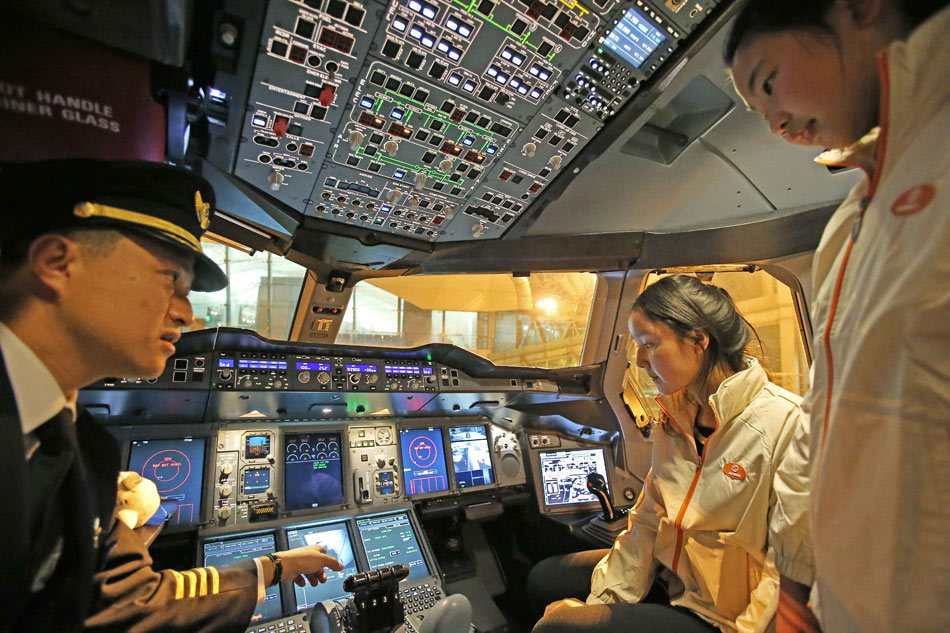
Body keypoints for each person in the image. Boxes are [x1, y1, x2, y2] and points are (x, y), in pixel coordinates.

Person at [0, 158, 344, 633]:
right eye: (170, 281)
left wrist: (275, 566)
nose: (185, 313)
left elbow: (122, 601)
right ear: (57, 262)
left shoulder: (84, 448)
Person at [724, 1, 950, 630]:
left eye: (768, 83)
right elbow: (826, 421)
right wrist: (796, 590)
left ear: (860, 8)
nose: (775, 124)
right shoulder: (851, 224)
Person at [530, 275, 810, 633]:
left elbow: (786, 575)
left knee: (559, 628)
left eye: (649, 344)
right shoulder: (675, 417)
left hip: (722, 617)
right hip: (676, 577)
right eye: (635, 346)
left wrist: (577, 620)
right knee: (544, 579)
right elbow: (647, 521)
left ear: (698, 340)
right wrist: (600, 604)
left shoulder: (788, 425)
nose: (640, 361)